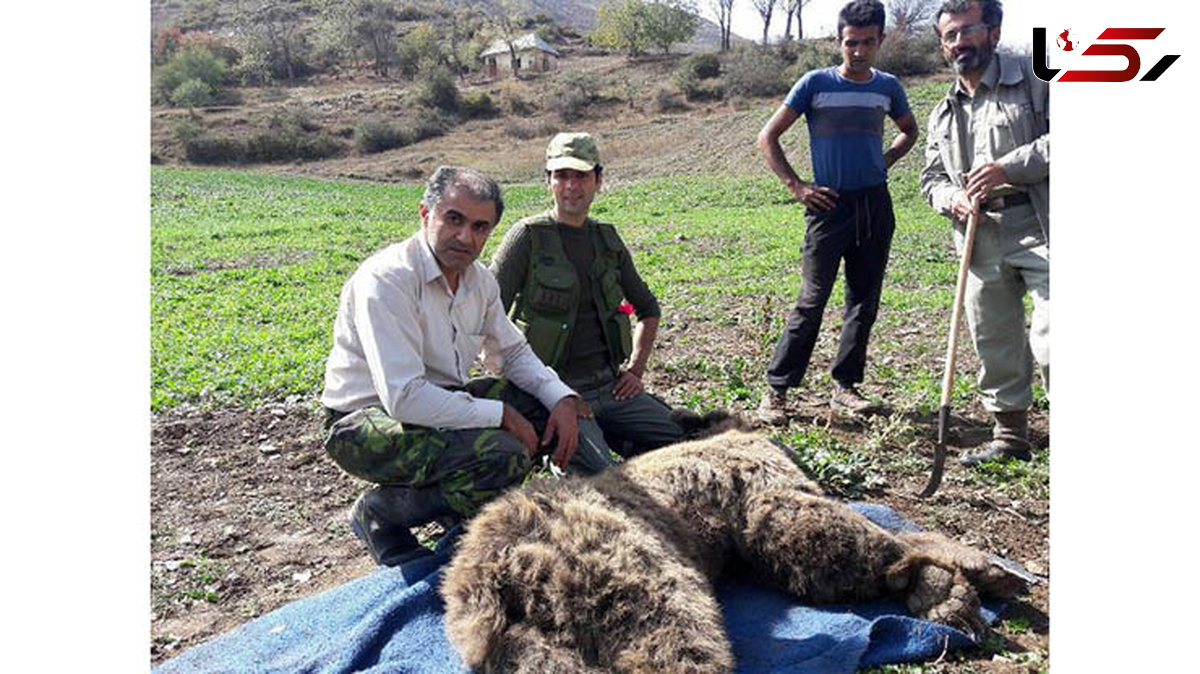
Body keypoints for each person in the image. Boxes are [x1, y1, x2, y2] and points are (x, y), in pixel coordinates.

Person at [320, 166, 617, 567]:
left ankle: (457, 509)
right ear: (426, 214)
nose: (465, 237)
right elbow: (404, 397)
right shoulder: (388, 281)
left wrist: (561, 397)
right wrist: (501, 415)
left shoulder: (478, 281)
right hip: (365, 423)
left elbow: (511, 352)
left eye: (480, 227)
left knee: (543, 407)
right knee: (501, 453)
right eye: (454, 220)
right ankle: (381, 512)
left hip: (440, 403)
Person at [755, 0, 919, 425]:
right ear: (839, 41)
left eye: (867, 42)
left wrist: (883, 162)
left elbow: (909, 131)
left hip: (874, 205)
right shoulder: (814, 84)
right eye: (851, 43)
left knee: (863, 302)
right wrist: (797, 186)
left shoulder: (888, 87)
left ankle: (845, 387)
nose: (858, 51)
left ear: (880, 40)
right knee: (811, 300)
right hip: (828, 206)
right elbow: (768, 137)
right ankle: (777, 391)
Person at [489, 132, 683, 457]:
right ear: (548, 181)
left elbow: (648, 308)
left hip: (611, 387)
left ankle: (620, 435)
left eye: (581, 175)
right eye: (562, 176)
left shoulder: (606, 239)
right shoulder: (527, 237)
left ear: (599, 180)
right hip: (556, 394)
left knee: (688, 442)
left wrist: (635, 370)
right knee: (601, 479)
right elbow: (486, 313)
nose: (571, 186)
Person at [920, 0, 1049, 465]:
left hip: (1041, 224)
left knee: (1056, 333)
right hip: (979, 235)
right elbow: (930, 178)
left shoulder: (1036, 77)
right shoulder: (942, 112)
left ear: (993, 32)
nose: (958, 43)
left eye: (967, 31)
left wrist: (1008, 168)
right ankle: (1012, 436)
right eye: (949, 35)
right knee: (993, 336)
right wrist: (949, 198)